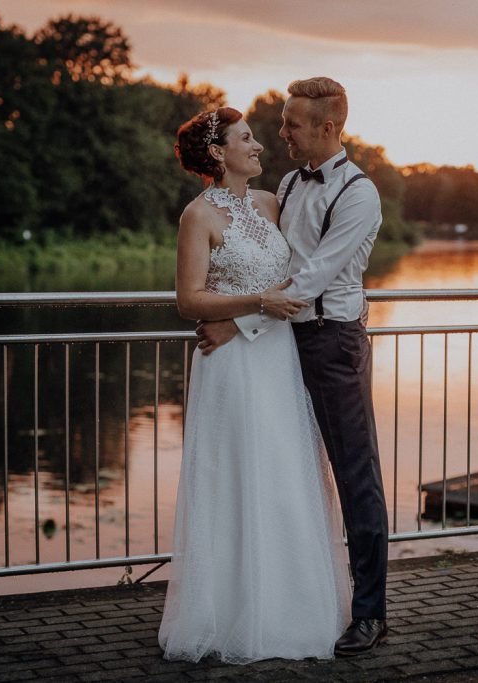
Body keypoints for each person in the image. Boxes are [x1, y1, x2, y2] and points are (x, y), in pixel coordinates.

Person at [197, 77, 390, 656]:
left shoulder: (359, 194)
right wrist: (231, 305)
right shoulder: (286, 182)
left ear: (327, 127)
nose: (281, 133)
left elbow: (310, 280)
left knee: (356, 476)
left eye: (292, 124)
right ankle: (282, 599)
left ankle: (370, 614)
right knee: (285, 476)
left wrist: (236, 323)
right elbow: (263, 264)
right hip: (280, 346)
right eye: (280, 123)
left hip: (332, 344)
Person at [158, 106, 351, 664]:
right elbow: (188, 300)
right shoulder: (198, 216)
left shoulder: (271, 204)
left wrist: (249, 315)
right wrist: (256, 302)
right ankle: (228, 615)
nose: (260, 146)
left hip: (276, 356)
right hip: (231, 371)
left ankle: (292, 611)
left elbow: (296, 280)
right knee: (236, 478)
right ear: (219, 152)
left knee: (285, 476)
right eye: (247, 138)